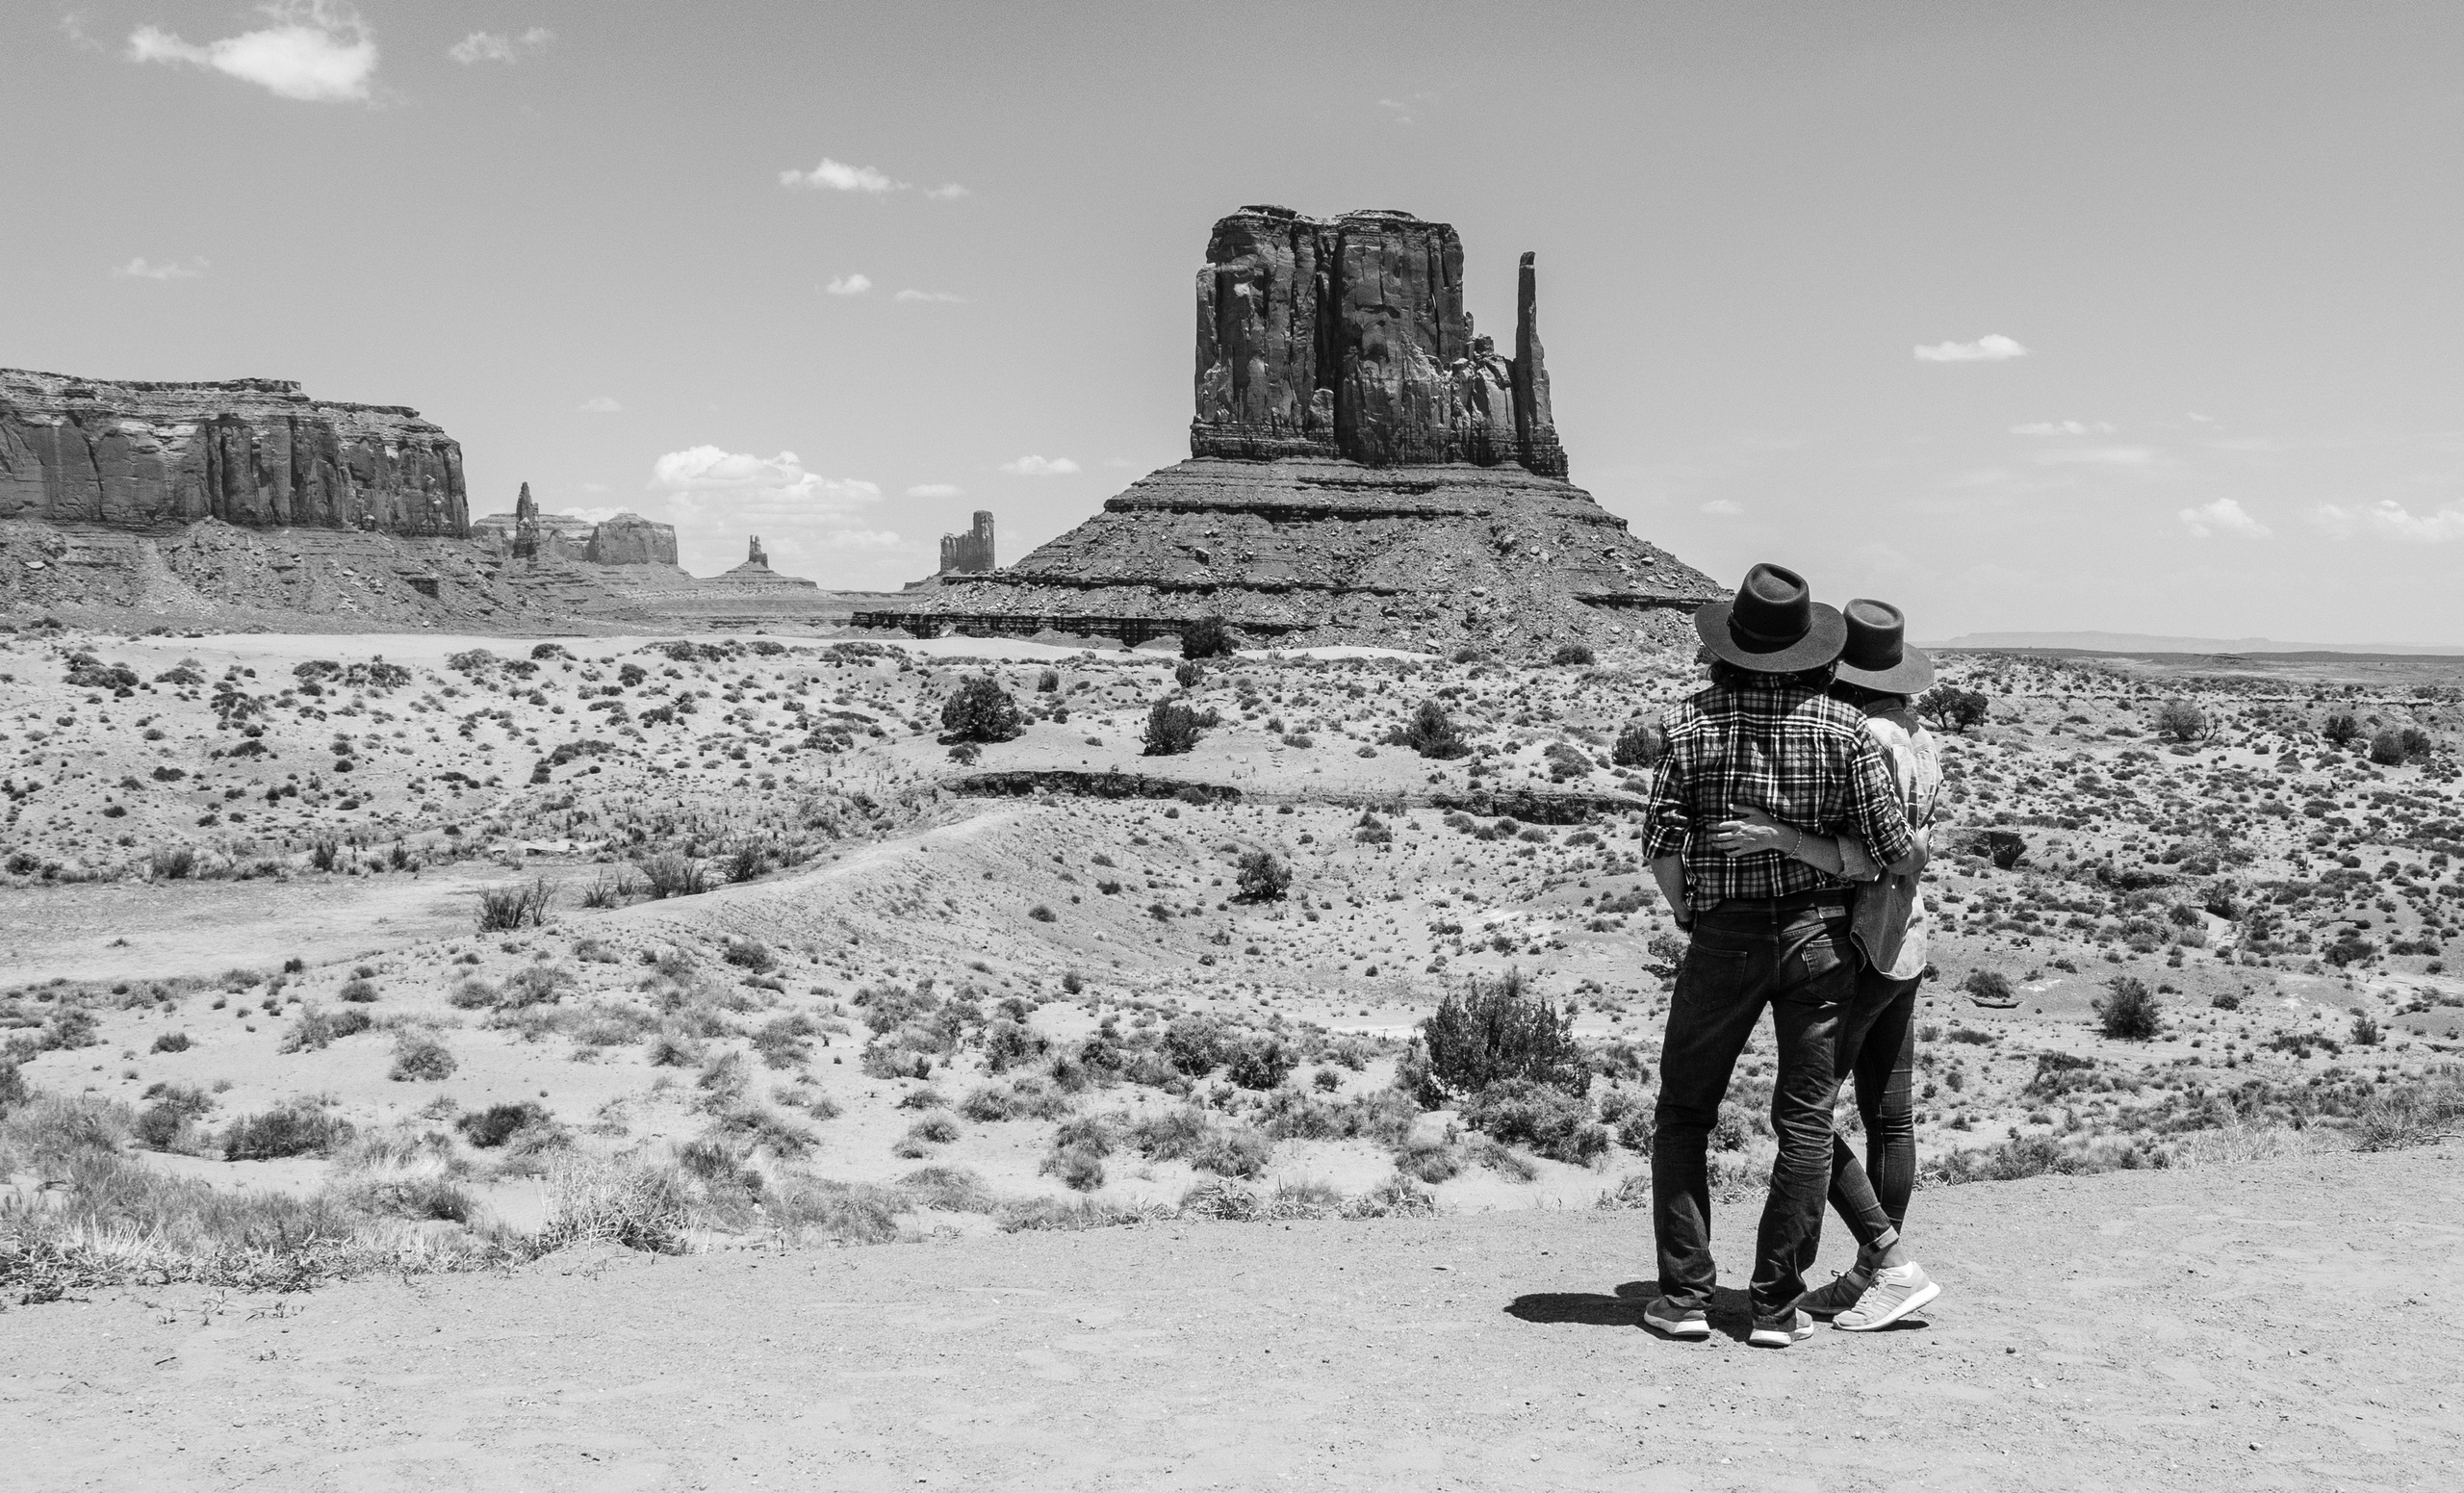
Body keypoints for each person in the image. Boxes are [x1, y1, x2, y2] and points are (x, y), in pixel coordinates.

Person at [1640, 565, 1920, 1349]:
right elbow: (1893, 853)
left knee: (1685, 1112)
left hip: (1724, 934)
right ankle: (1774, 1306)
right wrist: (1818, 852)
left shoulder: (1689, 724)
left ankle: (1687, 1296)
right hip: (1817, 937)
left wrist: (1685, 904)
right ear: (1810, 649)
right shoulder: (1844, 730)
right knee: (1805, 1119)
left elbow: (1661, 843)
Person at [1707, 600, 1943, 1331]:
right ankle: (1873, 1274)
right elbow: (1917, 849)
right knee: (1888, 1115)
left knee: (1801, 1112)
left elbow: (1874, 850)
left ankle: (1888, 1258)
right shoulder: (1920, 734)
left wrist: (1781, 836)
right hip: (1908, 935)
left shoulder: (1862, 735)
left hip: (1862, 940)